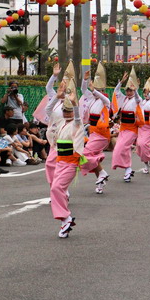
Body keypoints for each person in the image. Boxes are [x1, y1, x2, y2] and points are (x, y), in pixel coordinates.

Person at [46, 78, 86, 238]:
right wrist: (58, 96)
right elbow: (49, 110)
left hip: (70, 164)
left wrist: (75, 104)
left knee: (56, 189)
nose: (65, 113)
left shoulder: (76, 124)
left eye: (68, 111)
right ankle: (65, 221)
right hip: (60, 162)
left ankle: (66, 217)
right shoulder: (61, 122)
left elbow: (77, 117)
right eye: (64, 110)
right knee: (55, 189)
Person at [80, 64, 112, 193]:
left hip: (102, 135)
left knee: (85, 154)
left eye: (99, 88)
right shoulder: (92, 99)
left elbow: (102, 96)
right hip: (93, 133)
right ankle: (100, 182)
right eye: (95, 88)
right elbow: (83, 90)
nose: (95, 90)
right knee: (93, 157)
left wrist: (94, 90)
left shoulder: (106, 101)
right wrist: (85, 79)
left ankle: (103, 172)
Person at [111, 66, 145, 182]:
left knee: (121, 148)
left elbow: (138, 98)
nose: (128, 92)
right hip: (123, 128)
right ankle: (128, 169)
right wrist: (121, 82)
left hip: (132, 129)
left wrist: (136, 89)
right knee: (120, 149)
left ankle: (128, 168)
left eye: (130, 90)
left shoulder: (136, 100)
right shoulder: (124, 99)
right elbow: (116, 92)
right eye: (128, 90)